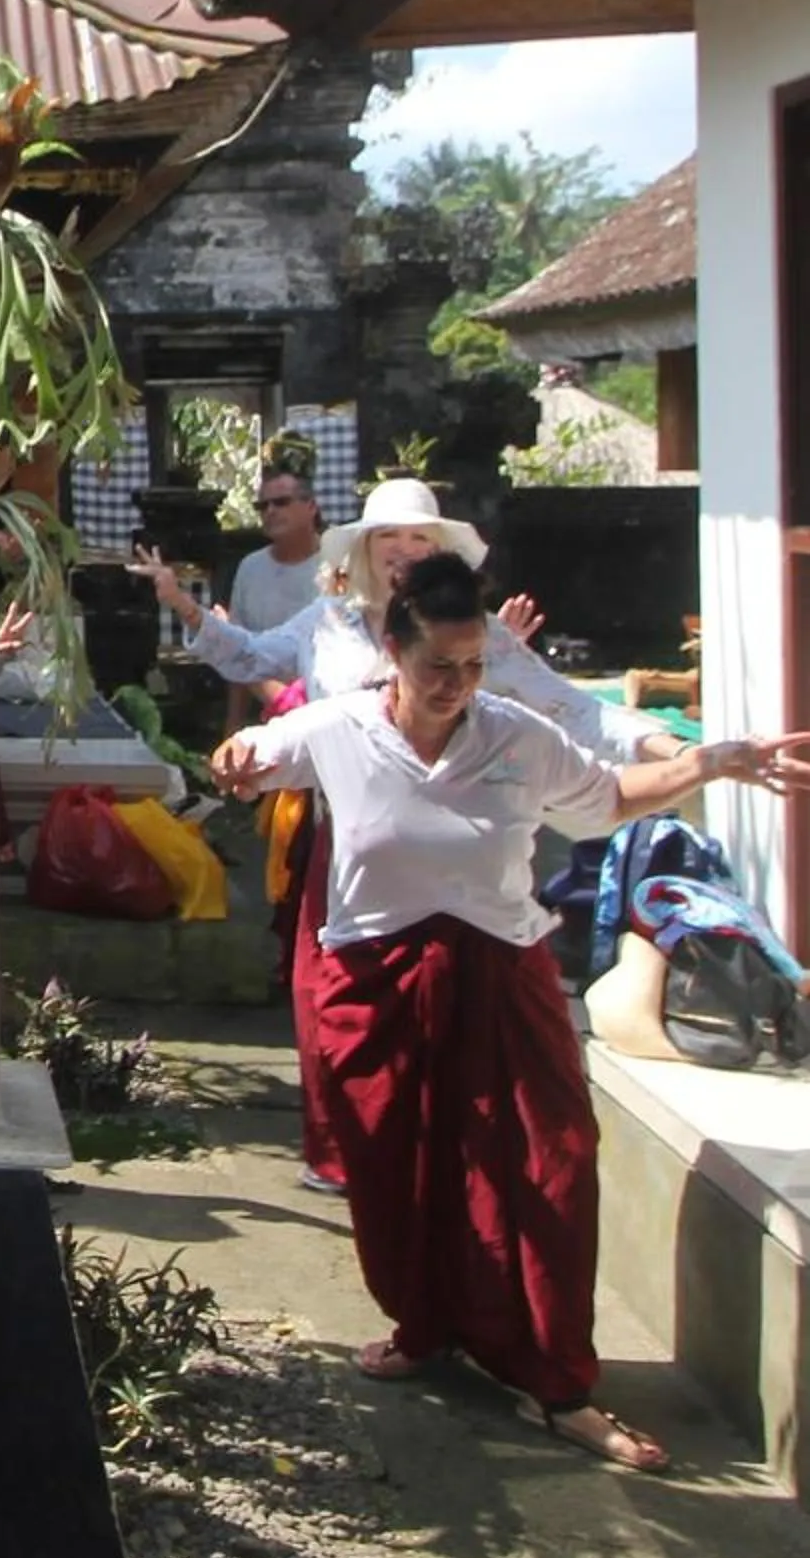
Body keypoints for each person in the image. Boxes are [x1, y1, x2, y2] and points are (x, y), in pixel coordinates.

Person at [210, 554, 807, 1474]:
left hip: (500, 973)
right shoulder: (337, 729)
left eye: (473, 665)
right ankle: (426, 1327)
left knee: (548, 1167)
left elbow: (608, 797)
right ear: (393, 653)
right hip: (377, 983)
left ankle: (557, 1381)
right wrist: (235, 762)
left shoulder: (516, 737)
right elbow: (252, 760)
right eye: (438, 667)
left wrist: (710, 763)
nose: (457, 685)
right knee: (397, 1171)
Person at [131, 477, 679, 1193]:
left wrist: (674, 751)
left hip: (463, 854)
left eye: (420, 538)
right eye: (389, 537)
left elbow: (571, 708)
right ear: (364, 550)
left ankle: (447, 1162)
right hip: (349, 839)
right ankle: (343, 1153)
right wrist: (180, 604)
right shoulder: (327, 623)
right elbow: (251, 659)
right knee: (331, 1000)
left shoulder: (481, 636)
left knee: (459, 1016)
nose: (404, 551)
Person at [222, 466, 324, 732]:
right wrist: (232, 729)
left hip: (325, 714)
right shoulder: (250, 568)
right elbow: (237, 655)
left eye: (281, 502)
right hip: (266, 719)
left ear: (311, 506)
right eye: (262, 506)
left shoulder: (338, 565)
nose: (270, 511)